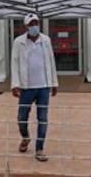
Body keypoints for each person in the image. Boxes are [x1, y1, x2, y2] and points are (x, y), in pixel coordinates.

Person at [10, 12, 58, 162]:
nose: (34, 26)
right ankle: (25, 137)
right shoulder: (19, 42)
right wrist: (15, 84)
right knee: (21, 117)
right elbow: (14, 63)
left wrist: (54, 83)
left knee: (42, 118)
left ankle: (39, 148)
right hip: (26, 87)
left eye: (36, 23)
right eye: (31, 24)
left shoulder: (46, 40)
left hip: (43, 86)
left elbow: (51, 61)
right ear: (26, 26)